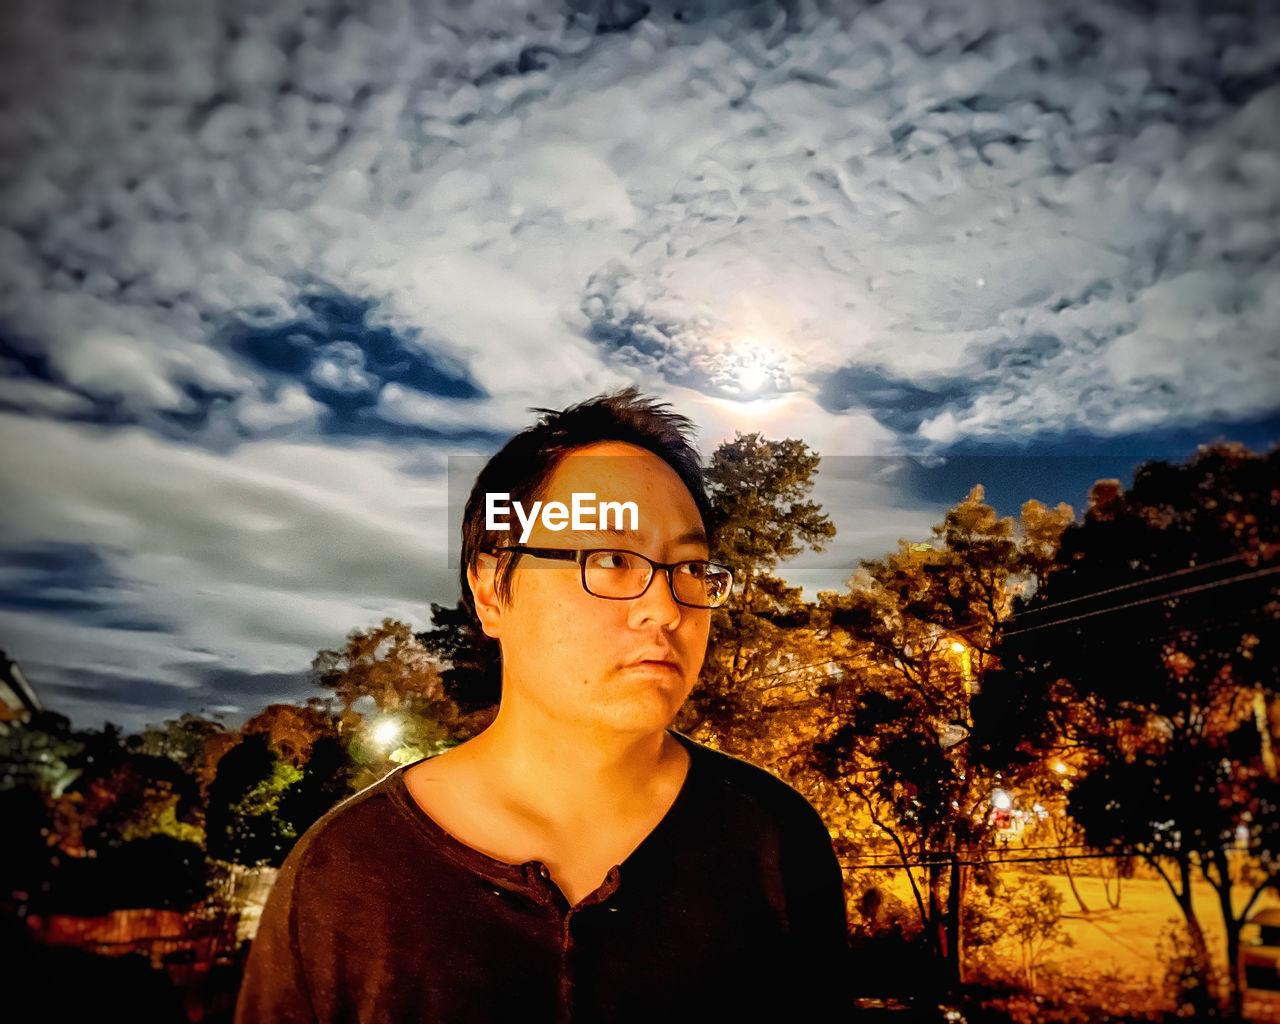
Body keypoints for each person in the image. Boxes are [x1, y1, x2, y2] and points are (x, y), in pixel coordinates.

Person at [235, 389, 849, 1023]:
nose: (667, 609)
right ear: (492, 589)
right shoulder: (344, 876)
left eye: (690, 568)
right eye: (612, 559)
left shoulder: (774, 842)